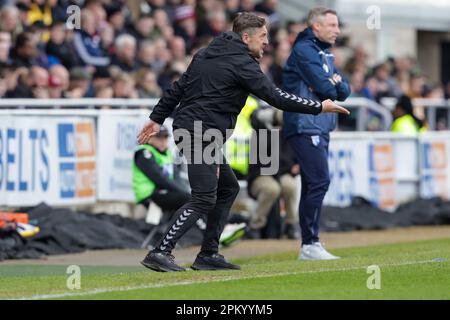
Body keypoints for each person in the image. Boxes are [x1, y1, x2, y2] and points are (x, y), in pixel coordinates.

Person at [137, 12, 349, 272]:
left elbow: (178, 89)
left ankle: (208, 254)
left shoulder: (205, 54)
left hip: (199, 131)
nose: (266, 42)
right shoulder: (242, 63)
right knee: (204, 196)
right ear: (245, 37)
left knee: (227, 188)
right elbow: (276, 96)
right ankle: (160, 251)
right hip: (200, 132)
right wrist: (319, 107)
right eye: (262, 36)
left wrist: (156, 118)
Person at [282, 7, 351, 260]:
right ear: (316, 27)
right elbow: (326, 88)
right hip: (305, 123)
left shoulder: (324, 52)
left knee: (313, 183)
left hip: (320, 124)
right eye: (332, 25)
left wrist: (331, 83)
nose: (337, 30)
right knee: (319, 181)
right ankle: (310, 243)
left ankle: (309, 245)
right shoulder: (304, 51)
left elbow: (343, 90)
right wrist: (330, 83)